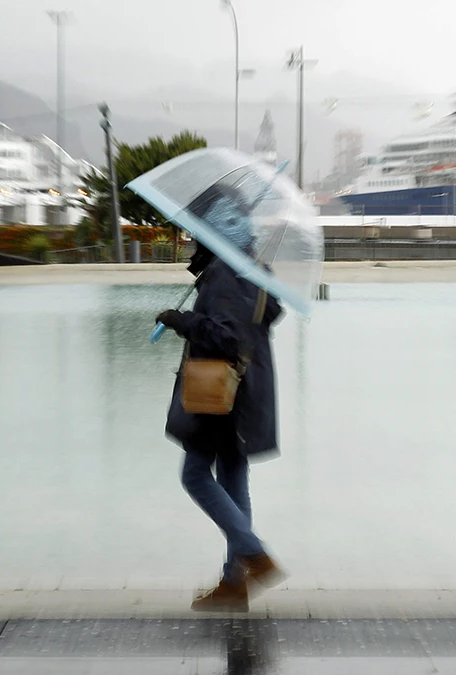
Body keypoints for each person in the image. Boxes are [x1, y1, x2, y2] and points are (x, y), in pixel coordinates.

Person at [155, 185, 286, 612]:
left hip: (223, 395)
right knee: (232, 479)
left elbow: (226, 337)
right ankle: (234, 583)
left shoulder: (227, 274)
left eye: (198, 227)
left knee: (195, 475)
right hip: (248, 393)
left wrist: (183, 321)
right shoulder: (251, 268)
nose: (192, 236)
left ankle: (253, 553)